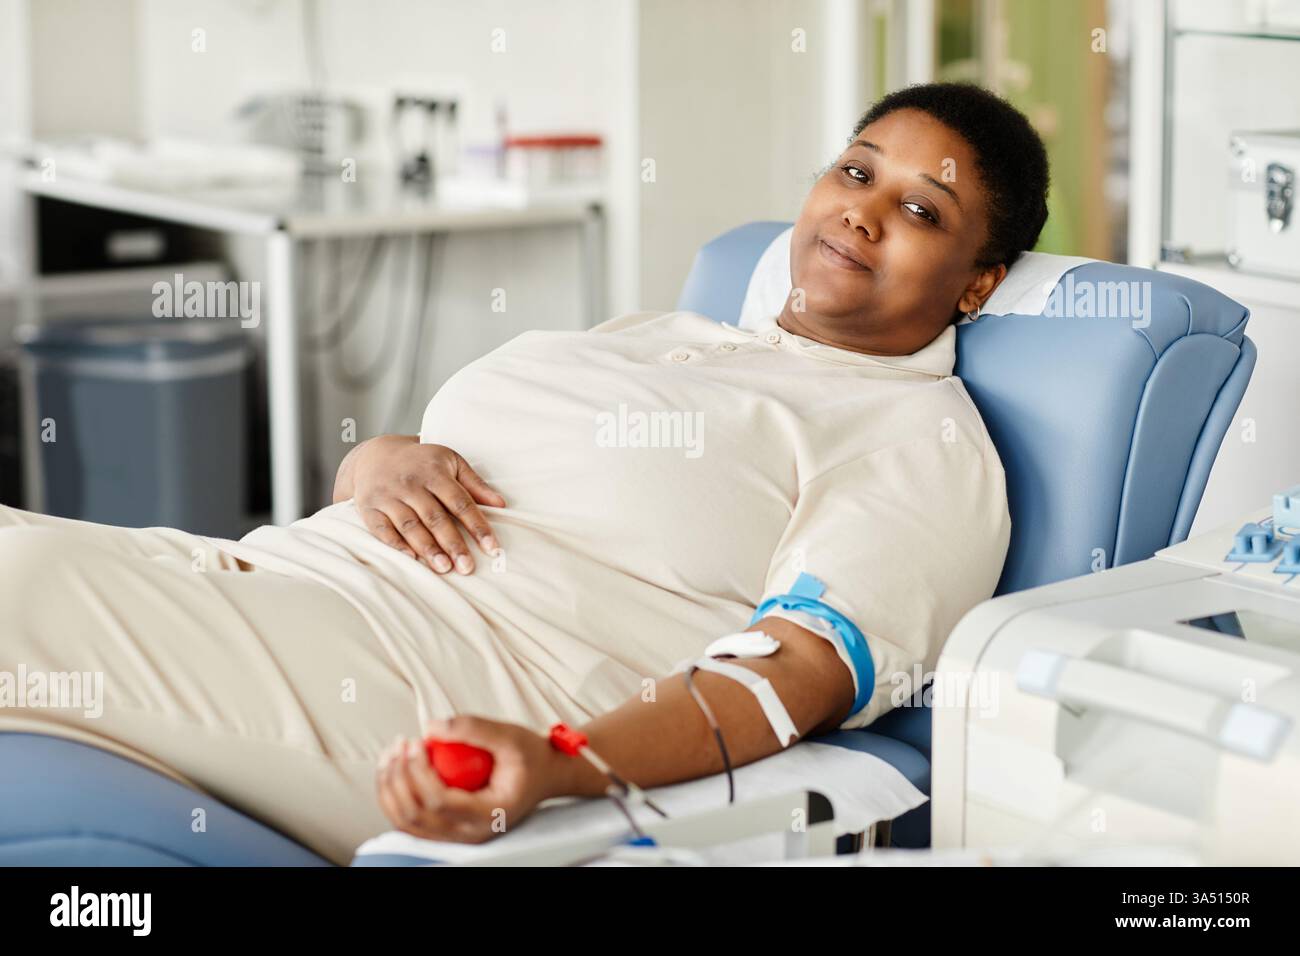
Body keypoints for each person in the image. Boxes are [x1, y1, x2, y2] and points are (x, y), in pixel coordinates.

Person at [0, 82, 1045, 865]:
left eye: (921, 211)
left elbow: (789, 680)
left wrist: (560, 761)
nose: (861, 211)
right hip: (277, 580)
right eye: (857, 171)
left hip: (428, 686)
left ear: (977, 283)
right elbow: (445, 473)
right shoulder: (665, 333)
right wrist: (378, 460)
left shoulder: (918, 438)